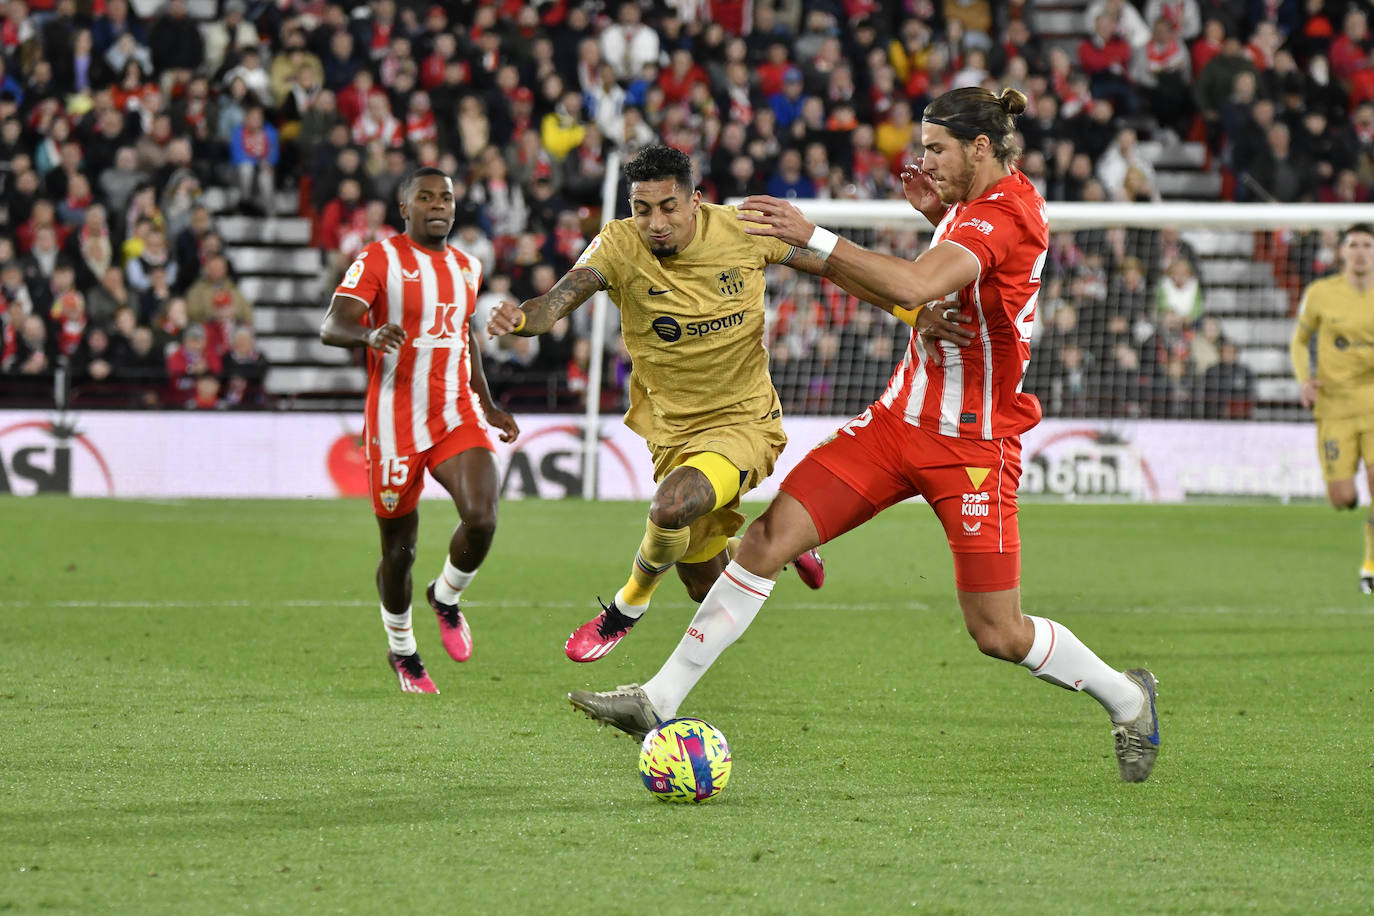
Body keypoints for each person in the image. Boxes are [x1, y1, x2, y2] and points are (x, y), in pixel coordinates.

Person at [566, 91, 1161, 784]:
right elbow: (956, 277)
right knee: (763, 543)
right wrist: (937, 215)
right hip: (894, 424)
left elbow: (915, 281)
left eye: (936, 147)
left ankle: (1127, 697)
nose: (924, 159)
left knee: (998, 632)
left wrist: (811, 234)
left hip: (971, 445)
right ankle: (656, 698)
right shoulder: (971, 210)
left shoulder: (1007, 213)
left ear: (980, 148)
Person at [487, 144, 971, 663]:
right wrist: (520, 320)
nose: (654, 222)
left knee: (671, 505)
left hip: (745, 422)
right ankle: (785, 548)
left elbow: (834, 269)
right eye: (641, 208)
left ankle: (625, 609)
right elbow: (553, 304)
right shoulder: (617, 245)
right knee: (705, 584)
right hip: (672, 430)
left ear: (695, 201)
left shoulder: (743, 231)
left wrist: (912, 313)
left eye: (668, 207)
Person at [320, 167, 520, 694]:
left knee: (482, 518)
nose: (439, 205)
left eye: (447, 197)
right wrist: (368, 333)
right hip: (393, 422)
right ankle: (403, 650)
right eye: (426, 197)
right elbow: (331, 324)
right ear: (404, 208)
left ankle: (447, 596)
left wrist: (487, 401)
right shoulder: (380, 258)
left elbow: (464, 333)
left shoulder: (468, 266)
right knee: (399, 551)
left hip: (454, 412)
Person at [1290, 224, 1374, 594]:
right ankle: (1352, 501)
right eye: (1353, 245)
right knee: (1342, 498)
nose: (1360, 252)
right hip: (1334, 408)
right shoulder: (1321, 293)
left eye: (1367, 245)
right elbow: (1299, 340)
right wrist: (1303, 380)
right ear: (1341, 252)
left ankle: (1369, 565)